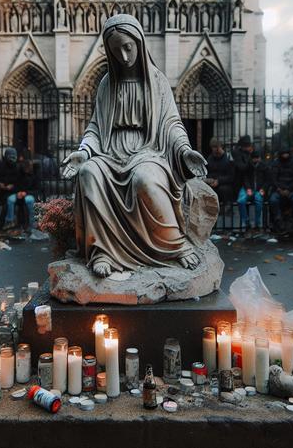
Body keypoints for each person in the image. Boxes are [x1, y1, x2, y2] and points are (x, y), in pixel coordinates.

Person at [60, 14, 208, 277]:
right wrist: (84, 152)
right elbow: (95, 127)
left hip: (148, 151)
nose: (124, 56)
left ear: (139, 43)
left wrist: (185, 151)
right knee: (88, 173)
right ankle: (102, 250)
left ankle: (174, 245)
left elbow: (171, 124)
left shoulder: (158, 81)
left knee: (144, 179)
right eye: (116, 50)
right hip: (110, 152)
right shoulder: (106, 84)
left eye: (128, 47)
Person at [269, 148, 293, 232]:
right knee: (273, 200)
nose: (285, 155)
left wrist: (289, 189)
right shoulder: (276, 163)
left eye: (286, 153)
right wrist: (280, 189)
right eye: (283, 154)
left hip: (291, 189)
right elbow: (273, 179)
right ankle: (278, 219)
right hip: (280, 190)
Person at [238, 150, 270, 231]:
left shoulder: (264, 167)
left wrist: (263, 189)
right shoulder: (248, 166)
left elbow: (268, 180)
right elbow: (245, 178)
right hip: (249, 188)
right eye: (254, 158)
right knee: (241, 201)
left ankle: (257, 223)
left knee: (258, 200)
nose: (256, 160)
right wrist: (248, 188)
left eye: (257, 158)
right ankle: (246, 222)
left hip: (259, 189)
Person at [205, 138, 235, 205]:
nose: (215, 149)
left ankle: (226, 207)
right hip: (213, 183)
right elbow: (208, 172)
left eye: (216, 147)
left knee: (223, 189)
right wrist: (211, 180)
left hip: (225, 185)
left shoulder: (228, 158)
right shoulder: (210, 158)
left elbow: (231, 177)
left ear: (221, 147)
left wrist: (219, 181)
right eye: (213, 147)